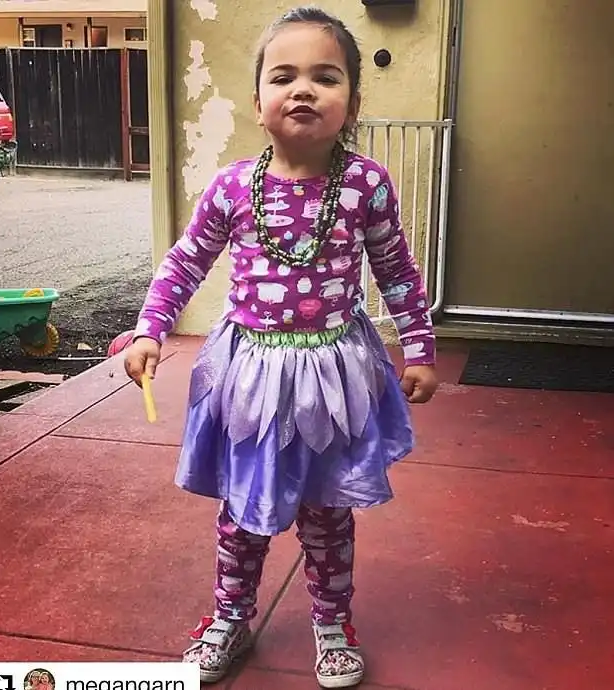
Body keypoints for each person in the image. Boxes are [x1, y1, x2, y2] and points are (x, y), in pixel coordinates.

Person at [124, 5, 438, 687]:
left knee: (328, 511)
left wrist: (418, 347)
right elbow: (186, 261)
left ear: (353, 102)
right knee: (243, 510)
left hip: (332, 380)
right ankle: (230, 617)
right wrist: (150, 328)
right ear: (257, 101)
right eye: (283, 76)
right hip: (252, 382)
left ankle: (333, 621)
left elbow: (396, 270)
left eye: (326, 77)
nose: (303, 90)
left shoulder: (365, 185)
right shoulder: (234, 186)